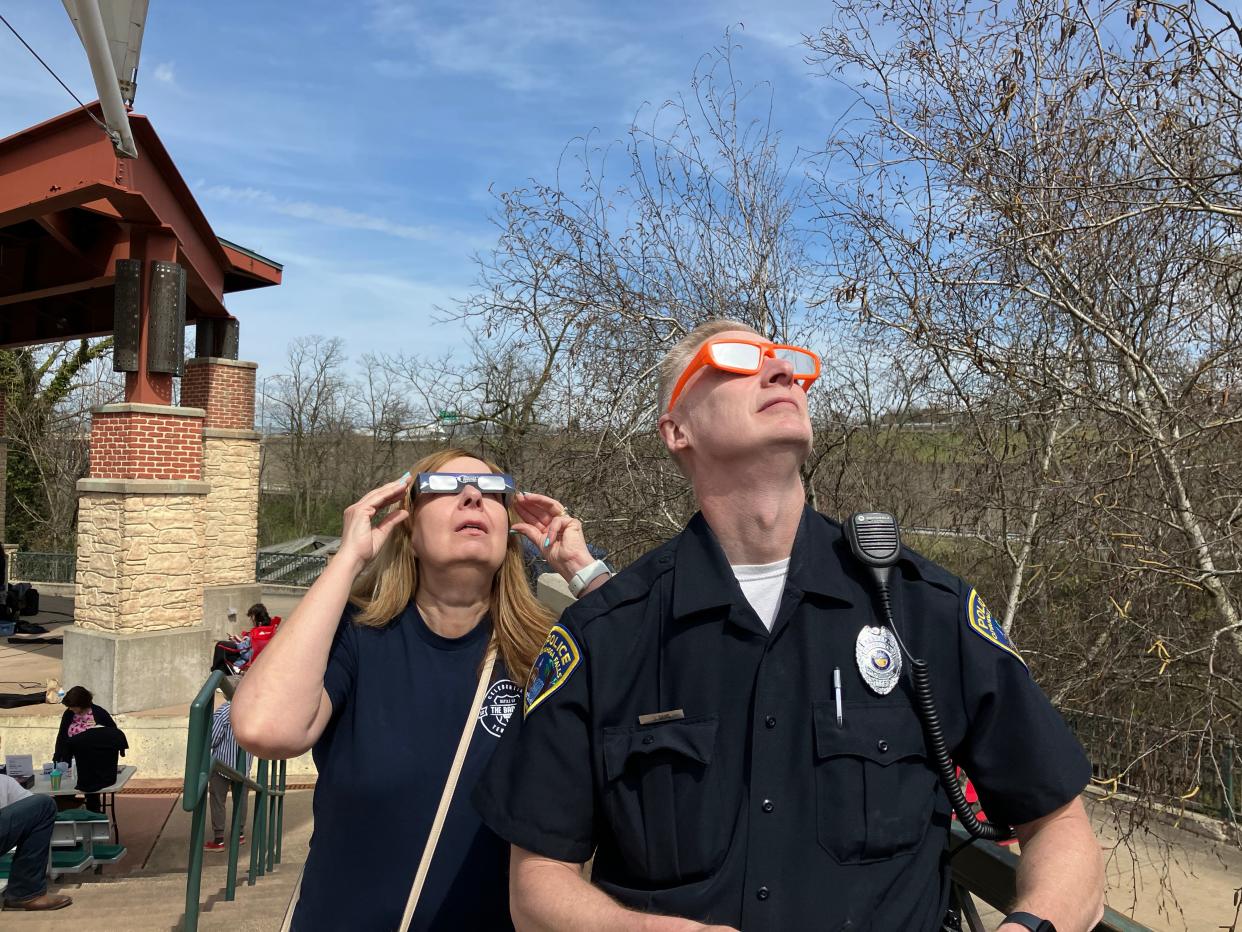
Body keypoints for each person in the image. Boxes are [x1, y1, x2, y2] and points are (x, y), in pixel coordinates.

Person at [473, 320, 1106, 932]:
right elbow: (537, 887)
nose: (781, 370)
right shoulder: (604, 635)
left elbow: (1060, 827)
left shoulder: (926, 608)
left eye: (788, 362)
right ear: (677, 430)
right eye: (736, 363)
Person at [231, 448, 611, 930]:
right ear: (408, 531)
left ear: (511, 532)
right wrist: (348, 559)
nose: (473, 496)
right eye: (447, 487)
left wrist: (583, 568)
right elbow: (266, 728)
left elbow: (660, 697)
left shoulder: (548, 656)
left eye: (492, 491)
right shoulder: (356, 637)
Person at [0, 773, 72, 911]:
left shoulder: (4, 782)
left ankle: (24, 892)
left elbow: (30, 808)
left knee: (41, 807)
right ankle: (25, 892)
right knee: (44, 805)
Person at [53, 685, 117, 813]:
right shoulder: (69, 714)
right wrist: (58, 757)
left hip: (92, 763)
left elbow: (113, 734)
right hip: (71, 759)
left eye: (73, 706)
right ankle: (67, 817)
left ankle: (93, 818)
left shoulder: (98, 713)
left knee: (91, 792)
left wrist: (98, 727)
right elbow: (62, 736)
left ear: (81, 704)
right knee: (64, 792)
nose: (70, 709)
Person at [204, 693, 248, 851]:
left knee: (217, 800)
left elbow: (213, 738)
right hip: (243, 766)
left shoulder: (224, 711)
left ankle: (219, 838)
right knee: (241, 800)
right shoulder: (250, 710)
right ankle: (239, 834)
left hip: (222, 764)